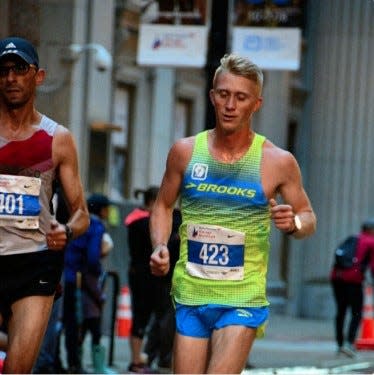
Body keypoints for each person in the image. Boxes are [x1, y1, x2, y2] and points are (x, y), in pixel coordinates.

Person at [149, 53, 317, 374]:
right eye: (224, 94)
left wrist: (294, 223)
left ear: (256, 104)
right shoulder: (185, 152)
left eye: (241, 97)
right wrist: (159, 245)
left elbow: (308, 217)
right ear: (212, 96)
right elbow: (162, 205)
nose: (230, 105)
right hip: (192, 292)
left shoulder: (277, 161)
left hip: (243, 296)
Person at [0, 36, 89, 373]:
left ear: (37, 76)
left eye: (20, 69)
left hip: (34, 263)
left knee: (18, 368)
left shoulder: (57, 138)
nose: (11, 78)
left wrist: (66, 229)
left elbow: (82, 212)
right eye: (3, 70)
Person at [125, 187, 181, 373]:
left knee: (145, 318)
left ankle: (141, 359)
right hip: (149, 277)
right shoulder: (143, 222)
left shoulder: (135, 220)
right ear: (153, 202)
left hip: (144, 276)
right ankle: (142, 359)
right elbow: (167, 247)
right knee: (151, 318)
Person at [63, 193, 115, 374]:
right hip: (83, 281)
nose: (109, 213)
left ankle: (71, 362)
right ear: (102, 210)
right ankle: (82, 365)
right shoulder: (96, 226)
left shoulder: (79, 221)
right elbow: (93, 257)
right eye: (107, 209)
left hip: (69, 276)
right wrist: (96, 273)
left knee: (71, 323)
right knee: (86, 321)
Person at [330, 219, 374, 358]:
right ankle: (349, 343)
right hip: (353, 280)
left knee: (340, 310)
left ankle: (339, 344)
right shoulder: (371, 242)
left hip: (336, 278)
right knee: (356, 312)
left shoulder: (352, 238)